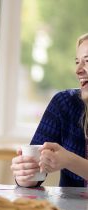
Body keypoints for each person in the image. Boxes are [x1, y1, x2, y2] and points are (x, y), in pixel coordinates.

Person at [11, 32, 88, 187]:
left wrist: (69, 160)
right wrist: (25, 175)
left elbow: (68, 160)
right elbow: (34, 169)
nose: (78, 70)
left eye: (87, 61)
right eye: (77, 62)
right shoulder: (64, 104)